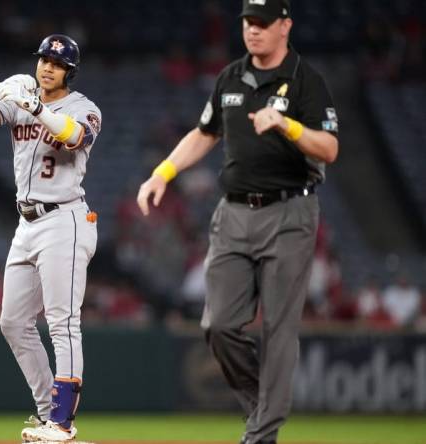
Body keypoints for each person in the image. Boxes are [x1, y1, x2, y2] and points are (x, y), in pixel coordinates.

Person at [136, 1, 339, 443]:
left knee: (278, 327)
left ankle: (261, 434)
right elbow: (205, 132)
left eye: (263, 23)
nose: (253, 30)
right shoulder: (230, 77)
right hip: (232, 214)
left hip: (290, 212)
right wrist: (163, 173)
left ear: (285, 25)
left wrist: (287, 126)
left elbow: (329, 148)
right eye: (248, 22)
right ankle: (261, 408)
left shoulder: (306, 81)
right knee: (218, 326)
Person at [0, 34, 101, 442]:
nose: (46, 67)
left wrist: (35, 107)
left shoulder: (83, 107)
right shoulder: (21, 98)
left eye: (56, 64)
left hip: (65, 219)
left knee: (62, 321)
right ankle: (46, 414)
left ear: (69, 72)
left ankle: (62, 422)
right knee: (13, 321)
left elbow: (76, 138)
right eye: (43, 60)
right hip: (26, 223)